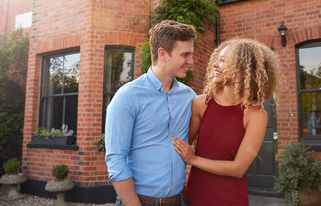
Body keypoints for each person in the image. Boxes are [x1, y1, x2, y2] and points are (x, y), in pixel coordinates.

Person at [172, 38, 284, 206]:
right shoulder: (200, 104)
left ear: (242, 69)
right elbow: (179, 144)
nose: (215, 64)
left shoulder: (256, 115)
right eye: (218, 59)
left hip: (231, 199)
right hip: (197, 195)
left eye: (223, 61)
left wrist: (193, 159)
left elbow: (238, 169)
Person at [105, 20, 197, 206]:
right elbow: (116, 160)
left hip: (180, 201)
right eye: (185, 55)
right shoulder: (128, 97)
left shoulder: (189, 97)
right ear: (162, 54)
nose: (191, 61)